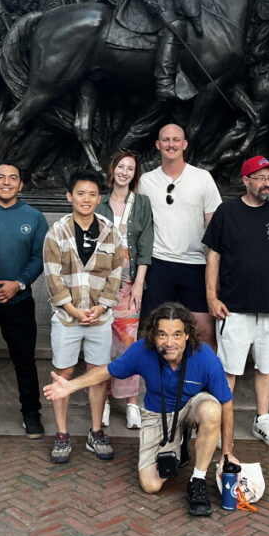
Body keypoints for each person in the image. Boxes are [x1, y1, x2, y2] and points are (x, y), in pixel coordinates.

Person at [43, 302, 235, 517]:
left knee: (212, 409)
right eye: (162, 335)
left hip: (192, 407)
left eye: (177, 335)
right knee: (151, 485)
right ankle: (179, 443)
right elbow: (107, 371)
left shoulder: (204, 356)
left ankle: (197, 480)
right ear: (153, 335)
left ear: (187, 335)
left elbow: (226, 404)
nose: (169, 343)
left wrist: (226, 452)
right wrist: (71, 385)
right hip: (158, 414)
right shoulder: (142, 350)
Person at [203, 156, 269, 449]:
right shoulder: (227, 211)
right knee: (229, 368)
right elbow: (213, 256)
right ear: (246, 181)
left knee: (266, 366)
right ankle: (222, 423)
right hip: (234, 305)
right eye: (260, 177)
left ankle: (262, 419)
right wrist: (211, 296)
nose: (267, 183)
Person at [43, 170, 123, 463]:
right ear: (69, 196)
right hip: (67, 317)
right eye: (80, 193)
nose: (86, 199)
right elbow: (52, 276)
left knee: (97, 375)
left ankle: (96, 431)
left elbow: (116, 274)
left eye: (91, 194)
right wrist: (73, 309)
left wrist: (101, 307)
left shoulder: (109, 231)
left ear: (98, 198)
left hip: (100, 318)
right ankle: (62, 434)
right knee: (63, 373)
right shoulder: (57, 231)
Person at [0, 161, 49, 439]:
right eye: (0, 177)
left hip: (18, 300)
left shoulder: (34, 217)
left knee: (24, 360)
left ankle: (31, 412)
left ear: (21, 184)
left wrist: (17, 284)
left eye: (13, 178)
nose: (6, 182)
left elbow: (39, 257)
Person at [139, 123, 221, 347]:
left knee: (205, 331)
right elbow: (139, 225)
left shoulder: (202, 178)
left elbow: (214, 225)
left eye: (176, 140)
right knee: (156, 330)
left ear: (184, 144)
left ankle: (203, 381)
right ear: (158, 145)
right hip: (159, 264)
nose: (171, 144)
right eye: (165, 140)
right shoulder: (146, 181)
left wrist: (218, 268)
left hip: (195, 263)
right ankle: (160, 382)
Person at [97, 150, 154, 431]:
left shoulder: (141, 204)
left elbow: (146, 244)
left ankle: (132, 403)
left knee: (129, 344)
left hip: (130, 282)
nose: (125, 172)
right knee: (100, 345)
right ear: (113, 169)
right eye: (121, 166)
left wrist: (140, 283)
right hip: (99, 283)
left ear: (135, 174)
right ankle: (103, 401)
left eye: (130, 168)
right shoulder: (99, 202)